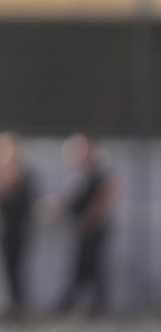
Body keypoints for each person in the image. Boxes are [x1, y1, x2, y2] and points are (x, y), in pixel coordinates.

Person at [58, 133, 115, 314]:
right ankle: (79, 303)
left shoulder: (99, 172)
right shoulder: (83, 174)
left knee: (92, 267)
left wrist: (90, 219)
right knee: (85, 268)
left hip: (94, 227)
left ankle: (91, 305)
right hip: (86, 227)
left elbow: (105, 194)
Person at [0, 131, 35, 315]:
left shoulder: (24, 175)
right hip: (5, 230)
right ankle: (14, 305)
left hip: (19, 230)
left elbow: (25, 204)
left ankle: (19, 306)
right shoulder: (1, 177)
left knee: (17, 269)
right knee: (8, 270)